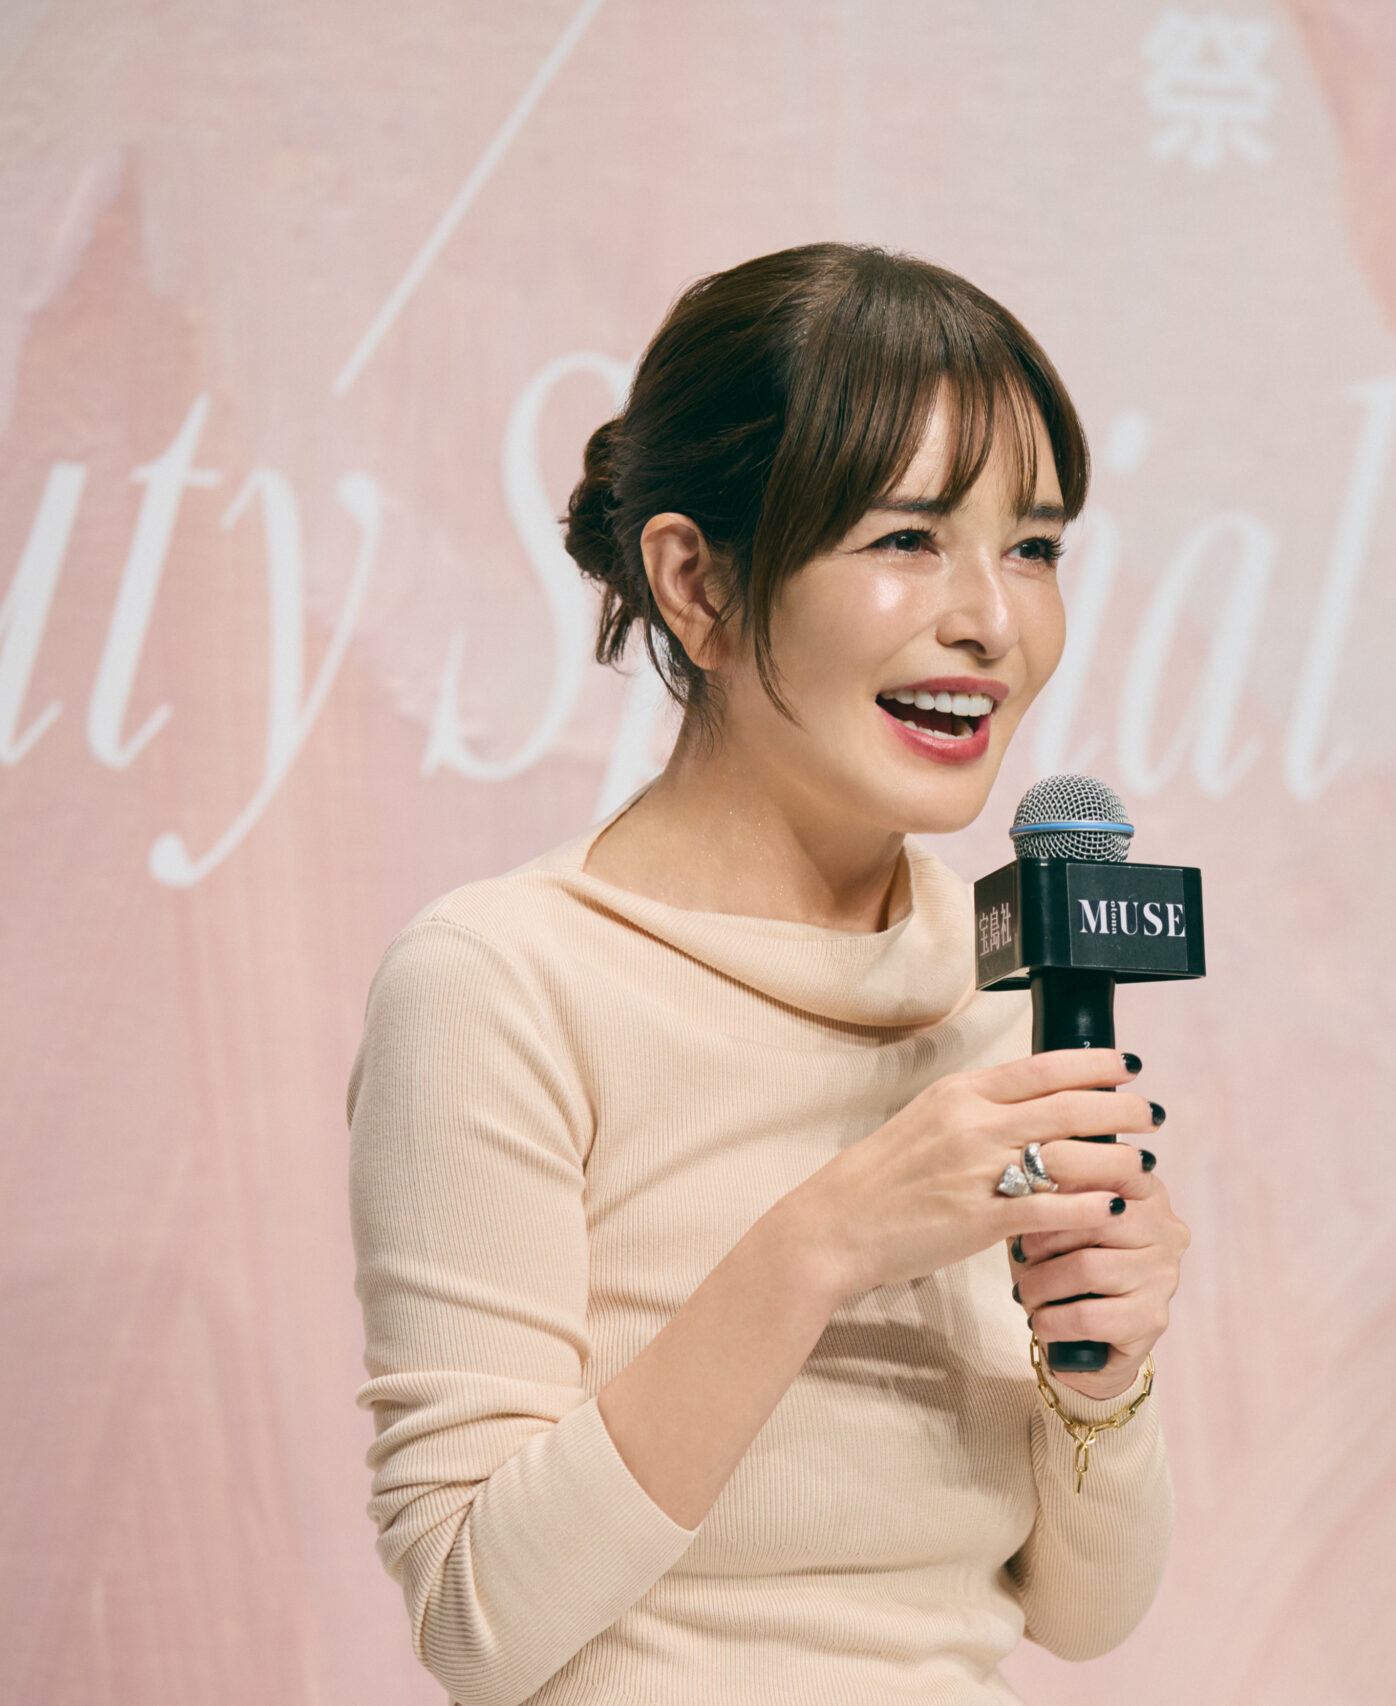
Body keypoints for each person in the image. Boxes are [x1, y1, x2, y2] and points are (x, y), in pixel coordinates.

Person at [347, 243, 1183, 1706]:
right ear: (699, 581)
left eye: (1035, 547)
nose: (993, 620)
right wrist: (823, 1244)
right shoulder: (501, 980)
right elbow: (478, 1624)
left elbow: (1084, 1614)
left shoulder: (1005, 987)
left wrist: (1103, 1375)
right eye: (907, 537)